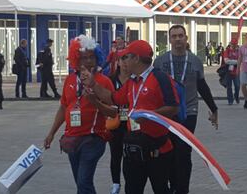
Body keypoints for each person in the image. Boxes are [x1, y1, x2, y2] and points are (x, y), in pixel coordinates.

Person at [80, 40, 179, 194]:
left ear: (136, 58)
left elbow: (173, 107)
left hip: (157, 149)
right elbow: (113, 98)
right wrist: (93, 84)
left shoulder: (160, 78)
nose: (123, 62)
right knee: (132, 189)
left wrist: (149, 116)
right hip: (134, 148)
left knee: (160, 189)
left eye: (126, 57)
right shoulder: (132, 81)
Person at [44, 35, 116, 194]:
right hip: (72, 138)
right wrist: (51, 133)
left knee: (84, 182)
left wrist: (95, 96)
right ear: (76, 59)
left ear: (98, 58)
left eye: (92, 57)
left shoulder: (103, 81)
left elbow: (113, 109)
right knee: (81, 183)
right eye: (84, 58)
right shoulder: (70, 80)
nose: (89, 61)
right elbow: (63, 108)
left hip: (94, 138)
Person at [154, 25, 219, 194]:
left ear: (186, 38)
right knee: (169, 151)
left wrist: (214, 109)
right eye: (174, 36)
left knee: (183, 150)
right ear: (169, 39)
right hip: (168, 112)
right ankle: (173, 184)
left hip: (189, 111)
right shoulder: (159, 62)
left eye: (180, 36)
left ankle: (182, 189)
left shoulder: (196, 61)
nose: (177, 39)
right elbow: (154, 88)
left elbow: (202, 86)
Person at [108, 58, 131, 194]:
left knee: (130, 156)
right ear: (118, 62)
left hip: (131, 123)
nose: (125, 63)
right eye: (122, 60)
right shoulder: (111, 80)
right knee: (115, 155)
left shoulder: (135, 79)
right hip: (115, 122)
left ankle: (130, 181)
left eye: (128, 59)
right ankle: (116, 183)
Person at [223, 39, 240, 105]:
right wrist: (236, 62)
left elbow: (241, 60)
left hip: (236, 71)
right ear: (230, 44)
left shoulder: (238, 51)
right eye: (232, 44)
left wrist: (232, 61)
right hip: (228, 71)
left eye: (235, 44)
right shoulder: (227, 51)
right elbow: (226, 61)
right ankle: (230, 100)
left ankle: (236, 96)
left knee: (237, 86)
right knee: (229, 86)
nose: (234, 45)